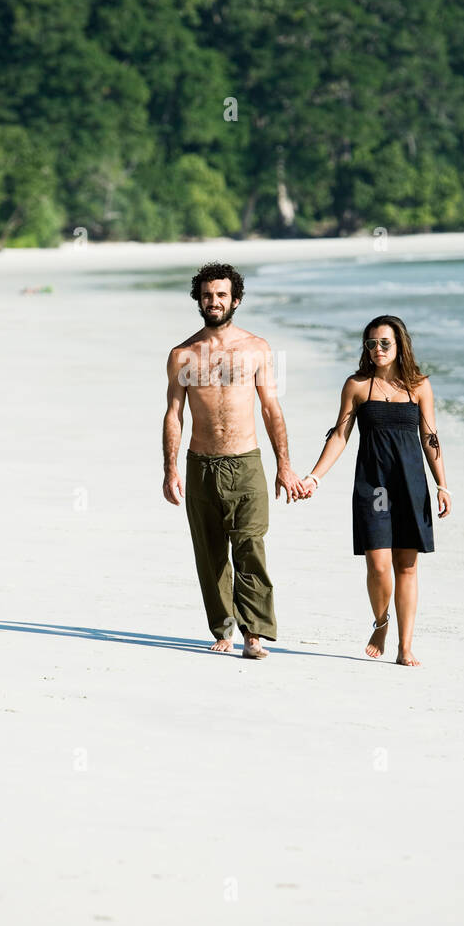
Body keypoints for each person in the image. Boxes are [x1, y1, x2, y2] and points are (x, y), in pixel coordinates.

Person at [163, 262, 308, 659]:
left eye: (222, 295)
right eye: (208, 295)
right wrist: (170, 468)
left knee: (250, 548)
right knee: (210, 554)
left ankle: (254, 633)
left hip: (246, 463)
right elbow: (174, 414)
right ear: (199, 299)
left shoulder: (256, 349)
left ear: (236, 300)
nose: (214, 301)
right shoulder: (182, 355)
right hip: (201, 465)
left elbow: (271, 408)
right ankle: (224, 628)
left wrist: (285, 466)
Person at [300, 315, 451, 666]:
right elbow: (340, 435)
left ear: (400, 346)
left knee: (407, 567)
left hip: (410, 483)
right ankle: (381, 622)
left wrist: (443, 484)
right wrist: (315, 477)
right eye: (371, 343)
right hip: (374, 486)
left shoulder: (419, 386)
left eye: (385, 343)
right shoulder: (357, 385)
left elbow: (430, 438)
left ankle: (405, 647)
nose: (378, 349)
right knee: (379, 566)